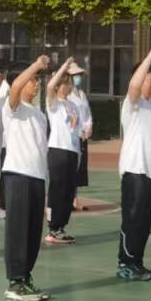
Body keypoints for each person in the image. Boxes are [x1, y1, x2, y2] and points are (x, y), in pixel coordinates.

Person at [0, 55, 53, 301]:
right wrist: (35, 65)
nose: (37, 84)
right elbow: (16, 87)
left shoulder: (39, 115)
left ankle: (25, 276)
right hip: (17, 176)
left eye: (38, 80)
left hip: (37, 178)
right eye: (33, 80)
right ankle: (15, 281)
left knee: (33, 232)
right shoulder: (12, 109)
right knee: (18, 231)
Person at [117, 43, 151, 282]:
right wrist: (148, 58)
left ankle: (137, 262)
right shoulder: (132, 104)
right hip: (135, 171)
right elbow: (134, 86)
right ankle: (125, 263)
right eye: (150, 79)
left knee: (144, 222)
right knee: (133, 219)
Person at [43, 59, 84, 245]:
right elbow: (50, 85)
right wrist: (64, 67)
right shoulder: (54, 104)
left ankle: (61, 227)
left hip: (72, 152)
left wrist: (78, 156)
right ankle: (52, 228)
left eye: (69, 83)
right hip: (57, 150)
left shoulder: (73, 106)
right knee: (57, 190)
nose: (69, 87)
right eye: (66, 83)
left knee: (68, 192)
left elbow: (77, 132)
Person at [70, 69, 93, 212]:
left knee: (79, 170)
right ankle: (70, 200)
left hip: (84, 136)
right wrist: (80, 130)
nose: (78, 78)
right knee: (72, 169)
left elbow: (87, 114)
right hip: (74, 136)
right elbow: (72, 118)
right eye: (76, 76)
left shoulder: (82, 94)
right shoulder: (68, 97)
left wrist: (88, 127)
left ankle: (74, 200)